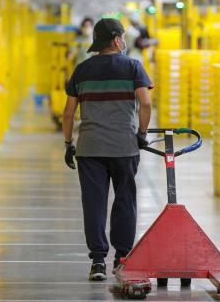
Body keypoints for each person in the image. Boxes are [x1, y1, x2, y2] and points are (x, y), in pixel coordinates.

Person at [62, 18, 153, 281]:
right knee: (125, 201)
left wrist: (69, 145)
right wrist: (142, 134)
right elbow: (145, 104)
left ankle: (98, 262)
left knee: (94, 203)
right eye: (122, 37)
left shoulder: (82, 70)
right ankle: (122, 259)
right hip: (125, 147)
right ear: (116, 40)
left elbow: (68, 113)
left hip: (90, 149)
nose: (124, 41)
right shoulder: (134, 66)